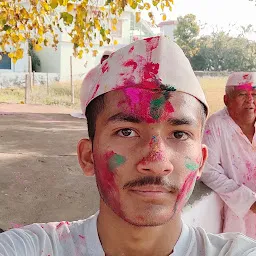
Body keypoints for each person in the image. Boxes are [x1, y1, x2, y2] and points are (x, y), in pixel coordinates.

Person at [1, 37, 256, 256]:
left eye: (179, 134)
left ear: (200, 160)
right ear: (88, 157)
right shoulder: (34, 247)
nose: (156, 161)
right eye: (127, 131)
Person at [200, 72, 256, 239]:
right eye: (242, 94)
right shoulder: (216, 125)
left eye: (254, 94)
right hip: (239, 217)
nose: (250, 100)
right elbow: (207, 170)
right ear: (226, 100)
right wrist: (249, 201)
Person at [80, 50, 112, 117]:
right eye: (104, 57)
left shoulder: (115, 73)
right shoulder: (95, 72)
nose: (105, 60)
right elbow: (87, 88)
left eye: (108, 57)